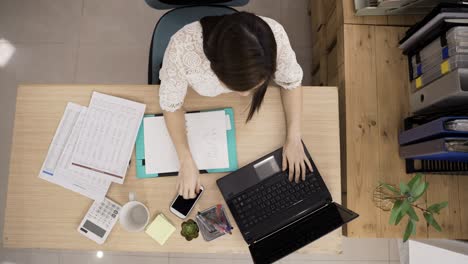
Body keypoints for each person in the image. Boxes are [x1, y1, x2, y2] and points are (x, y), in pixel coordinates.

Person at [159, 11, 312, 199]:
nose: (246, 95)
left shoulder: (274, 35)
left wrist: (294, 137)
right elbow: (171, 106)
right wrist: (185, 160)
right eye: (238, 88)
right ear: (214, 67)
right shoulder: (181, 49)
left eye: (253, 87)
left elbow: (291, 83)